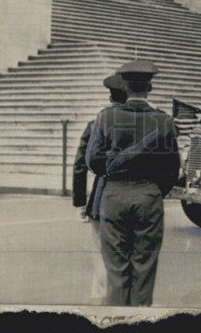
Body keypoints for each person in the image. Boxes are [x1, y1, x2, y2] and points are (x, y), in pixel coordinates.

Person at [85, 59, 180, 307]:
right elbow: (172, 168)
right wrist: (155, 189)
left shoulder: (106, 117)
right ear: (149, 88)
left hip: (114, 195)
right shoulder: (164, 121)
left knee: (116, 269)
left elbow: (93, 161)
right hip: (148, 195)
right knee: (144, 268)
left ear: (124, 87)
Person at [73, 73, 127, 305]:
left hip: (103, 195)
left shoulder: (97, 122)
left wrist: (79, 202)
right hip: (136, 195)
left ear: (110, 95)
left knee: (100, 254)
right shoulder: (147, 122)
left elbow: (80, 163)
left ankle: (100, 299)